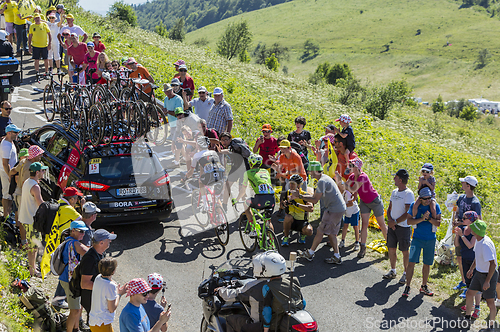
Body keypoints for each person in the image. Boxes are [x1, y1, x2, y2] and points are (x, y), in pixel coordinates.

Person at [218, 251, 304, 332]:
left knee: (230, 320)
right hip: (282, 323)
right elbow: (302, 303)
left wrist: (219, 291)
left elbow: (232, 295)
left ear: (263, 269)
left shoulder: (256, 286)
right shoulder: (292, 282)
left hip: (261, 326)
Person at [294, 161, 346, 264]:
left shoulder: (322, 181)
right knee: (331, 233)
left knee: (320, 231)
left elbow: (315, 200)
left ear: (314, 171)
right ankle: (336, 256)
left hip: (333, 209)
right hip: (338, 208)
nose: (309, 172)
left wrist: (299, 196)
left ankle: (310, 253)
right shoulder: (324, 178)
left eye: (310, 170)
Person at [402, 187, 442, 298]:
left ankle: (424, 286)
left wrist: (428, 219)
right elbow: (409, 221)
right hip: (417, 239)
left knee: (427, 264)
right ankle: (408, 286)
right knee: (411, 263)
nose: (428, 200)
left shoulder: (435, 206)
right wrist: (422, 219)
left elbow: (438, 223)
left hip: (430, 239)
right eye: (425, 199)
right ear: (420, 198)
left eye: (429, 198)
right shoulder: (414, 206)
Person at [346, 157, 388, 258]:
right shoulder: (352, 176)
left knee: (381, 224)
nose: (350, 167)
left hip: (375, 201)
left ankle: (390, 245)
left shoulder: (363, 177)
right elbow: (348, 187)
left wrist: (344, 184)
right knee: (364, 225)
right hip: (364, 202)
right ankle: (363, 247)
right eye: (350, 165)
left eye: (352, 165)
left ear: (358, 167)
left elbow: (352, 188)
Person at [464, 220, 498, 329]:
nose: (470, 229)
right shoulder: (478, 240)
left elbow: (492, 264)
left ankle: (491, 327)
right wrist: (471, 269)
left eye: (473, 228)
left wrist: (487, 281)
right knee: (469, 293)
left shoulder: (485, 245)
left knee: (490, 303)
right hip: (479, 273)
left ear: (477, 231)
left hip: (489, 275)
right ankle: (467, 318)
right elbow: (477, 257)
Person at [384, 169, 414, 284]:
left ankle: (406, 273)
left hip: (403, 227)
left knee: (404, 251)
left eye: (395, 177)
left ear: (400, 180)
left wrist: (395, 222)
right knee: (391, 248)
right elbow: (389, 208)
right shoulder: (394, 192)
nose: (394, 179)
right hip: (393, 226)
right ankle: (393, 270)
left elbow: (408, 213)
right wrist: (390, 220)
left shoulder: (408, 194)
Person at [80, 229, 117, 326]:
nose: (110, 241)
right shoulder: (90, 258)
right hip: (91, 298)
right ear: (101, 242)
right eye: (108, 239)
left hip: (96, 297)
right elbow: (84, 284)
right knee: (95, 324)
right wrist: (104, 288)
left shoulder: (101, 253)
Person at [453, 175, 482, 291]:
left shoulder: (475, 202)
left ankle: (469, 283)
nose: (462, 184)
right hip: (459, 231)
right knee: (459, 257)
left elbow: (478, 221)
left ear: (468, 186)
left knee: (467, 259)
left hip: (469, 235)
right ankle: (463, 280)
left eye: (464, 182)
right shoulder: (461, 197)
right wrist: (455, 220)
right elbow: (457, 211)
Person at [59, 220, 89, 332]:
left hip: (68, 278)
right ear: (73, 231)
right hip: (70, 280)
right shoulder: (75, 243)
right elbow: (89, 253)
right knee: (75, 310)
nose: (83, 234)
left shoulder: (69, 241)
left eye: (84, 232)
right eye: (81, 231)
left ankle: (76, 328)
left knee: (77, 306)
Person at [235, 154, 275, 233]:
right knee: (268, 221)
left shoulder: (247, 173)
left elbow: (243, 191)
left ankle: (253, 229)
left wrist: (236, 200)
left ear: (251, 163)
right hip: (272, 199)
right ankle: (272, 242)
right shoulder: (266, 171)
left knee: (246, 204)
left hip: (260, 200)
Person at [19, 162, 46, 277]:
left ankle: (33, 267)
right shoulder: (35, 186)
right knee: (33, 247)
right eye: (42, 171)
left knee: (32, 246)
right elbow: (41, 204)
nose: (44, 172)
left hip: (25, 218)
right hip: (32, 220)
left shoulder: (27, 182)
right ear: (37, 172)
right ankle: (32, 270)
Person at [270, 139, 307, 221]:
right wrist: (277, 169)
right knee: (288, 198)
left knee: (303, 198)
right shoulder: (282, 156)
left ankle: (304, 218)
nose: (282, 150)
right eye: (281, 148)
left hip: (301, 179)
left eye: (284, 148)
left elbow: (298, 170)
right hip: (289, 179)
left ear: (289, 148)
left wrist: (286, 173)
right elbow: (280, 167)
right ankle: (287, 217)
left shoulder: (296, 156)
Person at [89, 257, 127, 332]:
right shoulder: (110, 286)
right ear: (113, 271)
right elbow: (111, 309)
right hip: (103, 323)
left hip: (94, 321)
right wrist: (119, 294)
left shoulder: (98, 277)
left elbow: (108, 281)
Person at [454, 211, 481, 317]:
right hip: (465, 259)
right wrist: (457, 235)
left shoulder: (475, 230)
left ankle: (477, 307)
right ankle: (470, 304)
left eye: (464, 218)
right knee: (469, 284)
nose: (462, 220)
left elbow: (470, 245)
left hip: (474, 261)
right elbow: (457, 245)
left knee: (476, 285)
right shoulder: (464, 229)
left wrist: (462, 236)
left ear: (470, 220)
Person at [281, 174, 313, 246]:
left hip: (301, 222)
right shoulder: (287, 193)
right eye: (290, 183)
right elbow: (281, 206)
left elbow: (311, 208)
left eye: (293, 184)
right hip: (291, 221)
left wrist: (297, 204)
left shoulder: (304, 195)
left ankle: (302, 234)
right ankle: (286, 237)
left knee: (309, 231)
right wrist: (284, 204)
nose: (291, 186)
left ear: (298, 185)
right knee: (287, 217)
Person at [0, 123, 20, 218]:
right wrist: (9, 176)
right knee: (6, 194)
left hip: (10, 172)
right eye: (15, 132)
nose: (17, 134)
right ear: (8, 133)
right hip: (6, 172)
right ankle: (6, 215)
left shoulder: (10, 142)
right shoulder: (6, 146)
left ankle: (8, 214)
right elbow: (5, 163)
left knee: (10, 193)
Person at [338, 171, 360, 251]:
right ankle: (342, 241)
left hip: (353, 211)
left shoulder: (347, 193)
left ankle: (357, 242)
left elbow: (350, 203)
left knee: (355, 227)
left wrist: (342, 205)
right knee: (345, 226)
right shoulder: (341, 193)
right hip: (347, 212)